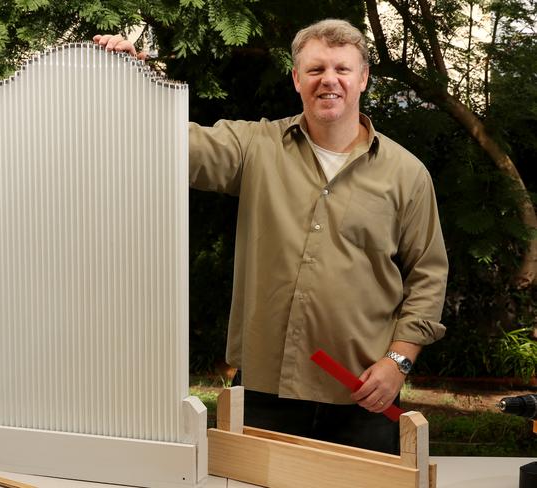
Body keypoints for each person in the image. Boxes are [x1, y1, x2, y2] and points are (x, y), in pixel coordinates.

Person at [94, 18, 448, 454]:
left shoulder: (407, 173)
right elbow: (165, 142)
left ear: (363, 78)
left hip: (363, 394)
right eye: (316, 70)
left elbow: (428, 274)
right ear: (297, 78)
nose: (329, 80)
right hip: (264, 393)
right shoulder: (254, 147)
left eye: (342, 69)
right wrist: (132, 81)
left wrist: (398, 362)